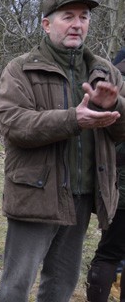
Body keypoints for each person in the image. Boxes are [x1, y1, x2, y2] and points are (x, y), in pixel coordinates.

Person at [0, 0, 125, 302]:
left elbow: (121, 131)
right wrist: (73, 119)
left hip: (81, 197)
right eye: (68, 17)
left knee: (61, 286)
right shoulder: (20, 69)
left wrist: (115, 104)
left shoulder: (105, 71)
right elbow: (13, 125)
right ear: (46, 24)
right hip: (35, 195)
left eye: (83, 17)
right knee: (16, 286)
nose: (77, 24)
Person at [85, 48, 125, 302]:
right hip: (120, 181)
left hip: (119, 181)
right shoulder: (113, 76)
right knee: (111, 253)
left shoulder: (114, 71)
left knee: (110, 253)